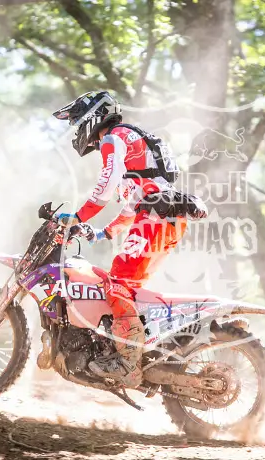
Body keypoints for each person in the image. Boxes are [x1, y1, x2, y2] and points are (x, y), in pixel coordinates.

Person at [51, 91, 207, 387]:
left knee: (118, 284)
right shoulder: (132, 139)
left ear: (93, 117)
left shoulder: (114, 138)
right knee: (126, 288)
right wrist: (103, 232)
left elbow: (105, 187)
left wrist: (78, 217)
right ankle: (135, 350)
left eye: (77, 123)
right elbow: (132, 205)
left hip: (156, 218)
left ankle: (128, 364)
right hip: (163, 217)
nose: (77, 131)